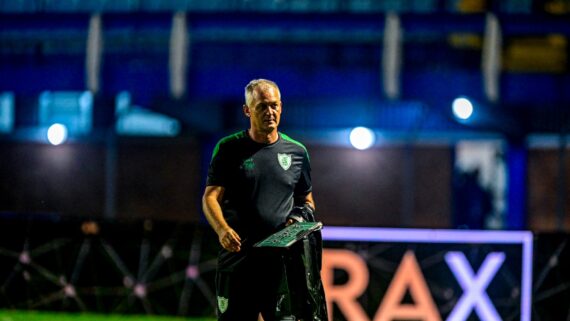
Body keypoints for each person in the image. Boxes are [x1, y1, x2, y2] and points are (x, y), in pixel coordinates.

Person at [202, 79, 327, 321]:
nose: (270, 112)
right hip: (238, 264)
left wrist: (298, 218)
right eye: (262, 106)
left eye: (275, 105)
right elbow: (210, 197)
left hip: (282, 268)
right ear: (247, 110)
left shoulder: (297, 152)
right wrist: (222, 229)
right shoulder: (228, 149)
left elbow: (307, 201)